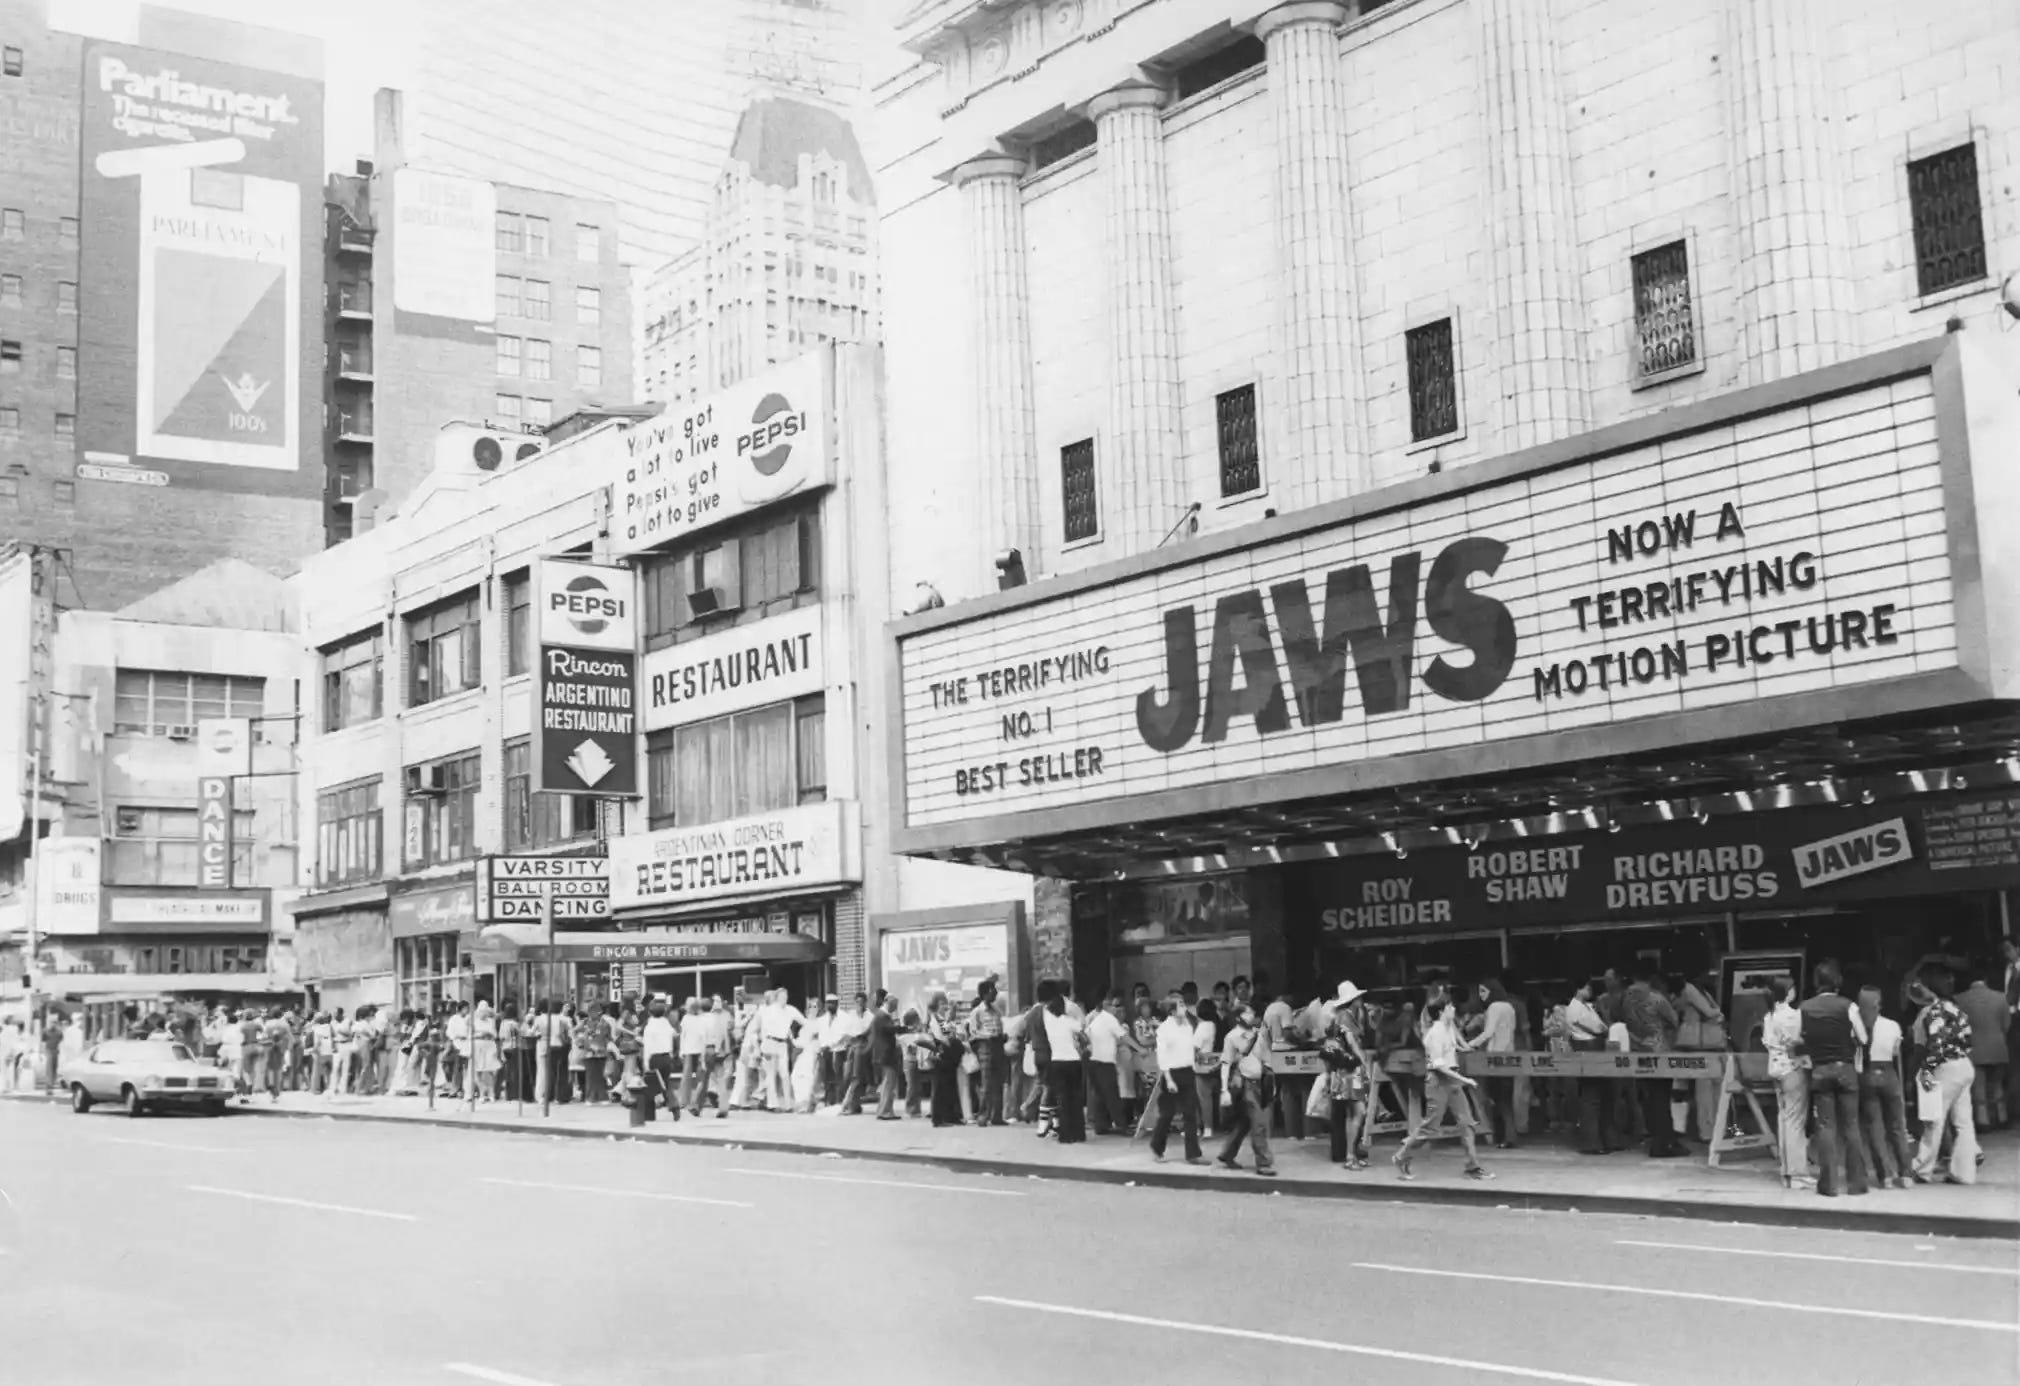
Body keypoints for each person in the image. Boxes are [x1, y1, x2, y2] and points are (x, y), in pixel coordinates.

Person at [1393, 998, 1491, 1181]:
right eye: (1449, 1007)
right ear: (1441, 1012)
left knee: (1467, 1123)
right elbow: (1439, 1065)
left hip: (1452, 1080)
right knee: (1430, 1127)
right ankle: (1402, 1155)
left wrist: (1464, 1050)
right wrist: (1465, 1080)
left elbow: (1453, 1046)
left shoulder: (1449, 1028)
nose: (1453, 1008)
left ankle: (1473, 1166)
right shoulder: (1436, 1033)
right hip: (1437, 1082)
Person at [1799, 959, 1871, 1197]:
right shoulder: (1848, 1006)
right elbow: (1863, 1038)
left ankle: (1828, 1185)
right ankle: (1857, 1184)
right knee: (1851, 1126)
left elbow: (1799, 1038)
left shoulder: (1805, 1008)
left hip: (1820, 1071)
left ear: (1817, 982)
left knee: (1825, 1127)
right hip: (1845, 1070)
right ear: (1837, 981)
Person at [1912, 965, 1978, 1185]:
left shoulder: (1934, 1011)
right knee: (1963, 1122)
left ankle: (1922, 1168)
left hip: (1946, 1068)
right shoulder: (1956, 1009)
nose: (1919, 989)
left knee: (1934, 1120)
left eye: (1922, 985)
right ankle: (1964, 1172)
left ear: (1930, 987)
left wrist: (1926, 1070)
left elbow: (1936, 1046)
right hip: (1964, 1065)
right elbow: (1968, 1040)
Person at [1621, 965, 1685, 1157]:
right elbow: (1674, 1020)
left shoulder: (1626, 999)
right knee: (1662, 1098)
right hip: (1658, 1051)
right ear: (1651, 978)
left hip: (1637, 1051)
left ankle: (1658, 1138)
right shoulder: (1656, 998)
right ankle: (1662, 1144)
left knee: (1649, 1098)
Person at [1856, 985, 1911, 1190]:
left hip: (1866, 1074)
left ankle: (1885, 1176)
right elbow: (1896, 1051)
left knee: (1875, 1127)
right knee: (1896, 1125)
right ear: (1878, 1004)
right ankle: (1905, 1174)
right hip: (1888, 1073)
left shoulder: (1856, 1027)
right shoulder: (1892, 1025)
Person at [1760, 977, 1810, 1187]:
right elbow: (1798, 1041)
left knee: (1784, 1120)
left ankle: (1786, 1172)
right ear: (1788, 992)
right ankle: (1797, 1174)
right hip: (1792, 1069)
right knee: (1795, 1122)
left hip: (1775, 1069)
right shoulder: (1793, 1015)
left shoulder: (1769, 1016)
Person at [1217, 1000, 1276, 1175]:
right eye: (1247, 1013)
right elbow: (1225, 1063)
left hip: (1258, 1082)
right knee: (1258, 1122)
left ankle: (1227, 1153)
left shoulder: (1258, 1034)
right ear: (1238, 1017)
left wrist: (1270, 1078)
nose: (1252, 1016)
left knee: (1244, 1122)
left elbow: (1265, 1058)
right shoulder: (1232, 1037)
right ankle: (1263, 1163)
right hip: (1244, 1084)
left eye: (1251, 1013)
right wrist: (1224, 1090)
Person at [1148, 992, 1204, 1164]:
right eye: (1180, 1005)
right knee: (1167, 1114)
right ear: (1172, 1011)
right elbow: (1162, 1056)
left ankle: (1192, 1154)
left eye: (1183, 1004)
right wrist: (1169, 1079)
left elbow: (1189, 1048)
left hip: (1187, 1071)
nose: (1184, 1007)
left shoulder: (1187, 1026)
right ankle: (1157, 1147)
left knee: (1190, 1113)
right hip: (1171, 1073)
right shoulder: (1165, 1029)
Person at [1674, 971, 1727, 1143]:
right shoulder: (1690, 989)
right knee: (1704, 1092)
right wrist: (1718, 1013)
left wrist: (1717, 1013)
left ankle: (1718, 1129)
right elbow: (1709, 1012)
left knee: (1716, 1090)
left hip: (1711, 1045)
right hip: (1699, 1046)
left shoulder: (1704, 990)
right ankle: (1707, 1132)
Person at [1323, 983, 1372, 1168]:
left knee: (1355, 1113)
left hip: (1346, 1071)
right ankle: (1351, 1155)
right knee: (1357, 1112)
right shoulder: (1346, 1017)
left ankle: (1351, 1154)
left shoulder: (1346, 1015)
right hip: (1350, 1072)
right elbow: (1352, 1042)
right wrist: (1365, 1063)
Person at [1955, 969, 2009, 1131]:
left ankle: (1983, 1120)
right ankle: (2002, 1117)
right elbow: (2006, 1025)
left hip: (1974, 1049)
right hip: (1998, 1047)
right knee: (1997, 1084)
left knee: (1979, 1086)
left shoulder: (1959, 999)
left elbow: (1959, 1028)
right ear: (1985, 979)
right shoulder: (2001, 997)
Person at [1472, 979, 1521, 1149]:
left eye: (1483, 991)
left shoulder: (1493, 1007)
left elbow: (1488, 1033)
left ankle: (1502, 1136)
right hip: (1509, 1055)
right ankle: (1509, 1136)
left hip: (1494, 1058)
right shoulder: (1509, 1007)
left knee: (1496, 1098)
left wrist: (1470, 1044)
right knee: (1506, 1099)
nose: (1481, 995)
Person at [1041, 987, 1087, 1145]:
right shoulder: (1069, 1021)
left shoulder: (1048, 1021)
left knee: (1063, 1099)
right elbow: (1083, 1034)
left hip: (1057, 1061)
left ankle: (1065, 1134)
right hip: (1073, 1061)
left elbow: (1045, 1010)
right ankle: (1079, 1133)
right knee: (1076, 1097)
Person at [1083, 991, 1129, 1135]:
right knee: (1111, 1093)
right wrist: (1140, 1049)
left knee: (1100, 1094)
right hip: (1102, 1060)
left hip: (1093, 1059)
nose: (1117, 1009)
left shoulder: (1099, 1019)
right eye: (1114, 1006)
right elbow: (1124, 1037)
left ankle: (1101, 1126)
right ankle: (1121, 1125)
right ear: (1106, 1005)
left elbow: (1085, 1036)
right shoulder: (1109, 1019)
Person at [969, 978, 1007, 1126]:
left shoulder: (997, 1011)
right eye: (993, 990)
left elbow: (1000, 1027)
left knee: (999, 1083)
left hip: (998, 1046)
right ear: (986, 993)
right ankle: (983, 1116)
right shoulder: (977, 1012)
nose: (996, 993)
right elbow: (973, 1033)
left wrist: (1001, 1036)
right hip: (985, 1047)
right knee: (986, 1084)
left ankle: (997, 1116)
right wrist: (987, 1036)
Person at [871, 994, 905, 1120]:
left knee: (888, 1083)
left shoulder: (882, 1016)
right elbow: (890, 1029)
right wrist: (904, 1028)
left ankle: (885, 1110)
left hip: (885, 1054)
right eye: (894, 1006)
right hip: (886, 1054)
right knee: (888, 1083)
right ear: (888, 1003)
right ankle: (885, 1111)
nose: (895, 1009)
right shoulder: (882, 1016)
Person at [470, 1001, 500, 1103]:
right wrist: (479, 1034)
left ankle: (491, 1093)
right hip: (478, 1045)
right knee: (478, 1070)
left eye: (485, 1011)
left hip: (489, 1045)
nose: (484, 1013)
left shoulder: (491, 1021)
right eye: (482, 1011)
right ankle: (482, 1092)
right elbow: (469, 1035)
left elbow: (495, 1034)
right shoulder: (474, 1022)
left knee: (491, 1070)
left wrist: (490, 1034)